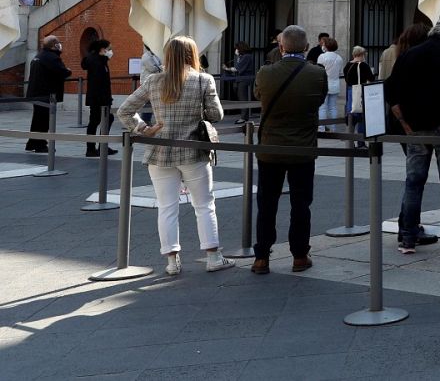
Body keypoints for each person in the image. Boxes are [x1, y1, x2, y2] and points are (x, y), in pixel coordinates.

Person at [115, 36, 232, 276]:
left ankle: (171, 262)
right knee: (205, 205)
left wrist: (143, 129)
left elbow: (124, 110)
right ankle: (213, 257)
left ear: (167, 55)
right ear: (193, 55)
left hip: (159, 151)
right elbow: (216, 114)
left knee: (167, 208)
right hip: (193, 151)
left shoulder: (154, 81)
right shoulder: (203, 80)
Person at [389, 20, 440, 255]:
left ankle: (407, 239)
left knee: (413, 183)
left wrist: (405, 124)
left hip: (415, 129)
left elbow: (391, 93)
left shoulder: (409, 54)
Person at [251, 26, 328, 274]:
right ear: (306, 47)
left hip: (270, 148)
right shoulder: (317, 73)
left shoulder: (265, 73)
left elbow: (258, 95)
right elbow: (320, 100)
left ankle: (261, 257)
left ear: (281, 46)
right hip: (302, 149)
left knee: (267, 203)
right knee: (301, 204)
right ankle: (299, 255)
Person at [25, 36, 70, 153]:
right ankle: (40, 144)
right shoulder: (52, 57)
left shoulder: (38, 56)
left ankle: (31, 142)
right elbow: (62, 71)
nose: (60, 44)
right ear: (54, 45)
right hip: (46, 93)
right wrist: (68, 71)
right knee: (43, 120)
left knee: (37, 118)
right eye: (58, 42)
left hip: (35, 92)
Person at [82, 39, 117, 157]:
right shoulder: (97, 62)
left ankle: (99, 146)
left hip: (98, 97)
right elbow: (99, 82)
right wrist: (106, 98)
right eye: (109, 48)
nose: (111, 51)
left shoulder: (98, 60)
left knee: (99, 120)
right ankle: (93, 148)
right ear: (103, 49)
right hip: (99, 98)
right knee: (97, 121)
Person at [343, 46, 375, 135]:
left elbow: (347, 79)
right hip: (360, 92)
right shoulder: (363, 65)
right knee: (361, 115)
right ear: (361, 54)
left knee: (351, 116)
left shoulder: (347, 65)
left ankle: (350, 141)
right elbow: (371, 78)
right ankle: (361, 142)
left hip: (350, 92)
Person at [316, 38, 345, 122]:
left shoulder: (322, 57)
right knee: (333, 107)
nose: (323, 46)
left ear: (326, 46)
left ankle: (322, 128)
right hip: (335, 84)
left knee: (322, 107)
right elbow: (340, 72)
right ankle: (333, 128)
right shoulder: (339, 58)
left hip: (323, 84)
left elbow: (319, 71)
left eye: (324, 44)